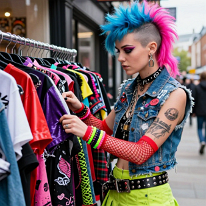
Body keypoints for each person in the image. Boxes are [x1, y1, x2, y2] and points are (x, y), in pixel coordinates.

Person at [59, 1, 193, 206]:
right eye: (118, 50)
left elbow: (141, 153)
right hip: (114, 194)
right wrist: (82, 110)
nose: (120, 57)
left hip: (148, 198)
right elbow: (105, 128)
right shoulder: (129, 89)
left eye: (127, 50)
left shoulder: (175, 94)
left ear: (151, 48)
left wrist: (86, 133)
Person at [193, 71, 206, 155]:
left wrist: (193, 112)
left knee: (199, 128)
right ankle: (204, 140)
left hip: (200, 111)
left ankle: (201, 141)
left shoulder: (197, 87)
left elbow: (194, 99)